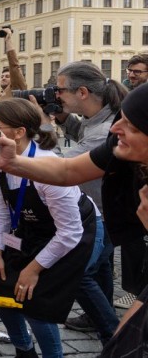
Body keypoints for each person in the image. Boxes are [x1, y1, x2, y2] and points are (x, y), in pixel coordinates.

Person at [0, 83, 148, 318]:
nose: (115, 128)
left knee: (79, 279)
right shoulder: (114, 142)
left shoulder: (101, 139)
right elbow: (67, 171)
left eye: (130, 124)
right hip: (58, 229)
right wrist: (10, 164)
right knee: (92, 279)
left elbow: (69, 228)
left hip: (85, 226)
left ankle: (106, 330)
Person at [0, 99, 98, 358]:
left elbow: (70, 232)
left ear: (19, 132)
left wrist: (34, 269)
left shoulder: (48, 168)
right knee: (2, 291)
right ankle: (24, 351)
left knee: (36, 304)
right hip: (30, 229)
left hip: (73, 234)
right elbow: (1, 209)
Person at [51, 62, 127, 343]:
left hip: (104, 212)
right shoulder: (97, 118)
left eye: (60, 91)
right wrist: (60, 117)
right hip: (102, 209)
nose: (56, 95)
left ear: (82, 92)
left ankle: (114, 335)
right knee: (103, 266)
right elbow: (81, 133)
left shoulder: (107, 130)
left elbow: (63, 166)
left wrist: (43, 128)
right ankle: (100, 317)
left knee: (78, 273)